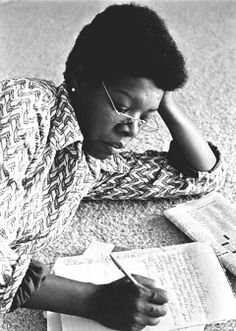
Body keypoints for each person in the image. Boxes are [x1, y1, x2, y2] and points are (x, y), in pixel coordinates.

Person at [0, 3, 224, 331]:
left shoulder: (89, 156)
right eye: (121, 106)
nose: (131, 130)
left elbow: (195, 175)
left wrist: (163, 102)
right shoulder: (22, 107)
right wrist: (91, 300)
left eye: (144, 118)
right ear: (80, 77)